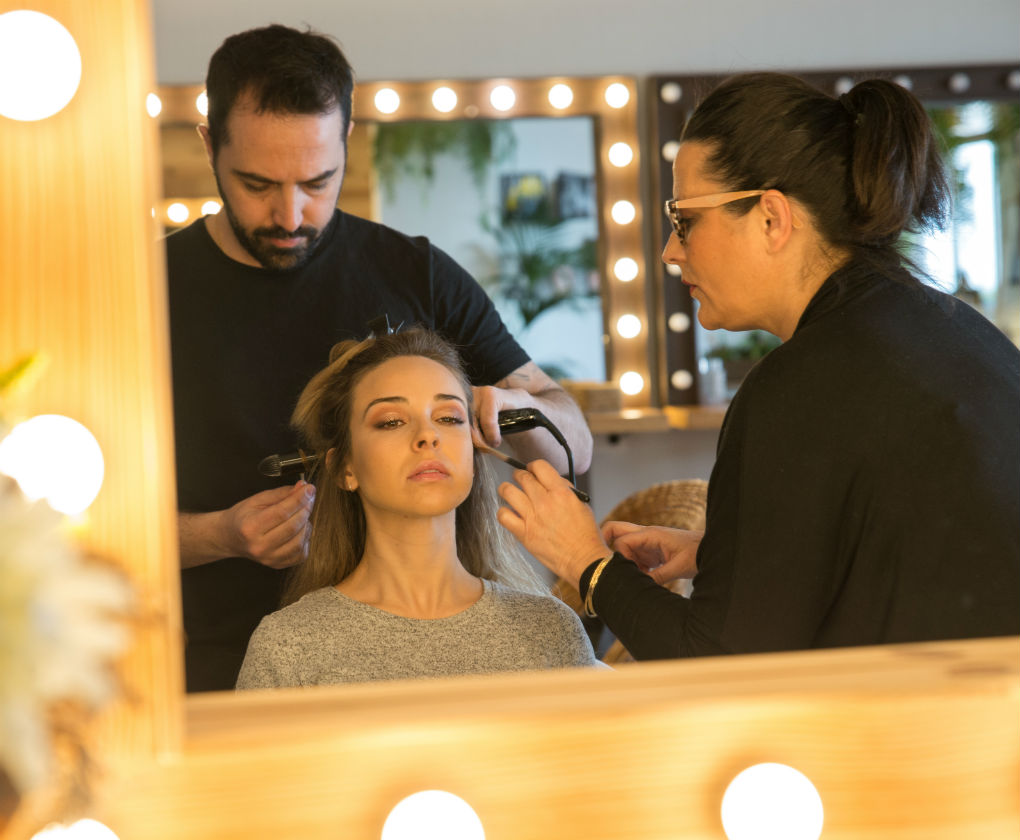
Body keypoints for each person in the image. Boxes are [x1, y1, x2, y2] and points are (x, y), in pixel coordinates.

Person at [498, 72, 1020, 659]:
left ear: (772, 218)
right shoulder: (959, 332)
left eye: (685, 220)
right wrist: (723, 551)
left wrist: (586, 564)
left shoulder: (799, 387)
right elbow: (911, 542)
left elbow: (719, 664)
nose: (671, 251)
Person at [167, 24, 592, 692]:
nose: (290, 212)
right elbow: (73, 528)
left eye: (317, 181)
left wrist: (510, 412)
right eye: (257, 184)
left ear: (346, 140)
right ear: (207, 142)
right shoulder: (146, 293)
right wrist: (221, 535)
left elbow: (575, 439)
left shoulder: (416, 274)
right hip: (208, 665)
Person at [236, 328, 600, 688]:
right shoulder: (287, 649)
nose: (429, 435)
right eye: (391, 421)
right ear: (345, 468)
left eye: (449, 418)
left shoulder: (551, 630)